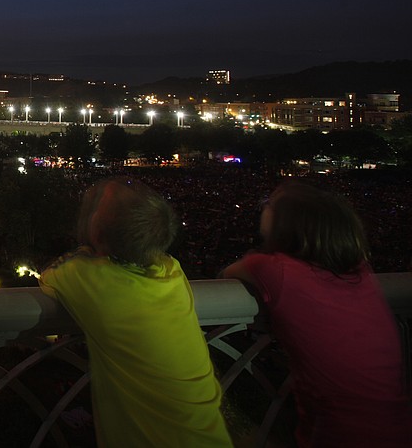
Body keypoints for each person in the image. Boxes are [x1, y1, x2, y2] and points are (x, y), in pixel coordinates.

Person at [39, 176, 233, 447]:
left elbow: (50, 274)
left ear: (97, 233)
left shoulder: (91, 280)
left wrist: (88, 242)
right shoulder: (172, 271)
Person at [222, 180, 412, 447]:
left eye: (271, 205)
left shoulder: (274, 271)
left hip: (339, 432)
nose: (264, 207)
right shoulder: (360, 273)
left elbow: (228, 274)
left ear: (287, 224)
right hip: (397, 425)